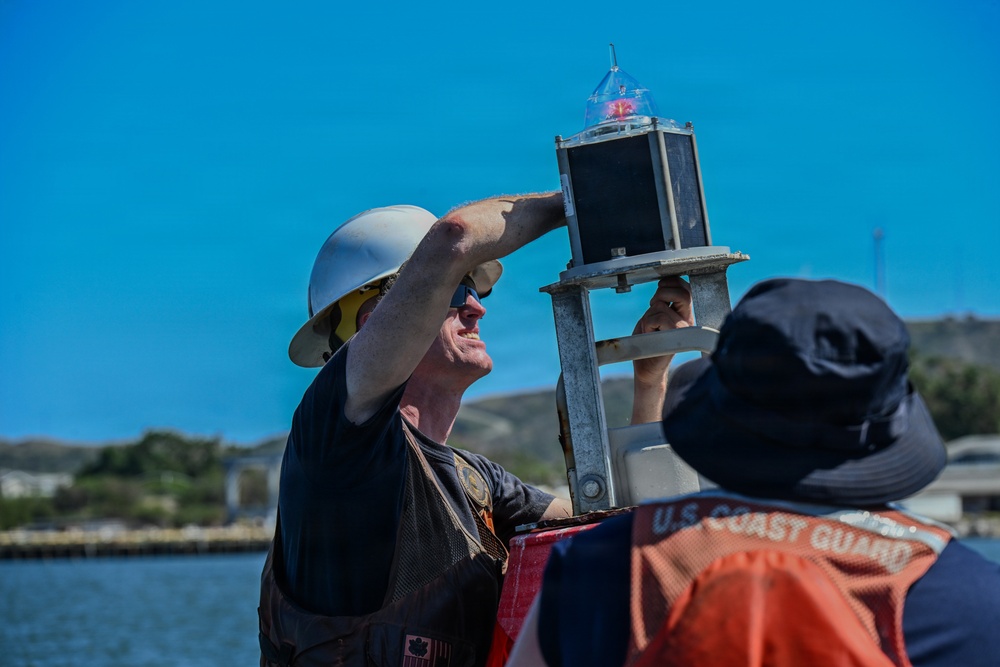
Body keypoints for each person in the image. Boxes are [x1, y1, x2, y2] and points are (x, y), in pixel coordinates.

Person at [257, 194, 694, 667]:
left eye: (475, 290)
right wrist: (580, 197)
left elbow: (614, 526)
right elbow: (455, 236)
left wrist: (649, 381)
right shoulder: (337, 450)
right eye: (455, 290)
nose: (476, 308)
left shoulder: (474, 482)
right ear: (376, 321)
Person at [509, 278, 1000, 667]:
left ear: (719, 415)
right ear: (889, 427)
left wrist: (649, 382)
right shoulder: (971, 600)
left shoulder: (597, 565)